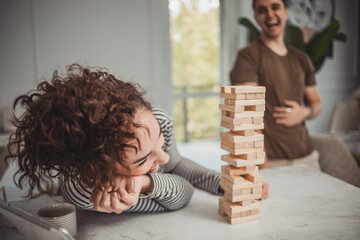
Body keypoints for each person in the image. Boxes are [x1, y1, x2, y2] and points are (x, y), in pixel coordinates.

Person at [6, 64, 225, 214]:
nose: (164, 156)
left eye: (159, 140)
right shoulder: (88, 191)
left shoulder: (155, 121)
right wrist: (143, 184)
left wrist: (221, 183)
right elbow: (183, 194)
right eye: (141, 160)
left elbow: (175, 165)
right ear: (99, 169)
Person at [230, 0, 322, 170]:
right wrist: (264, 168)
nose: (270, 14)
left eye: (275, 7)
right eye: (262, 10)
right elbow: (247, 119)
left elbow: (316, 103)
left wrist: (304, 112)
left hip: (307, 157)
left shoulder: (302, 59)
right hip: (271, 162)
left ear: (286, 12)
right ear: (256, 18)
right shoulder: (248, 57)